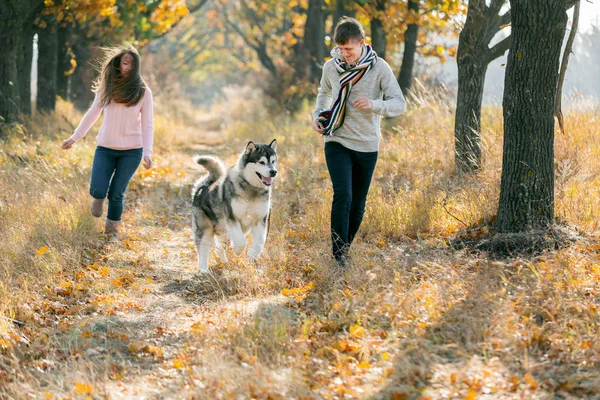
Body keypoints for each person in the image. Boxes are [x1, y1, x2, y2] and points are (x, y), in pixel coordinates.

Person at [312, 17, 406, 266]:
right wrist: (318, 116)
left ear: (362, 44)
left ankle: (344, 247)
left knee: (358, 205)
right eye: (340, 50)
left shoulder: (379, 68)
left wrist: (374, 104)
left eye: (349, 50)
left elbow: (399, 103)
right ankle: (339, 258)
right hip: (337, 139)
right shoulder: (331, 67)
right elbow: (324, 93)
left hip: (367, 144)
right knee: (343, 194)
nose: (344, 55)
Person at [61, 44, 154, 238]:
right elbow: (92, 113)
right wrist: (75, 137)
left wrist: (147, 153)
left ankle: (111, 234)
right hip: (105, 148)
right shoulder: (107, 87)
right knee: (98, 189)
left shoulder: (144, 92)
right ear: (118, 65)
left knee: (117, 193)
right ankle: (97, 197)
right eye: (124, 63)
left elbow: (147, 125)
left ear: (136, 66)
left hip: (132, 151)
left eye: (131, 64)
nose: (127, 67)